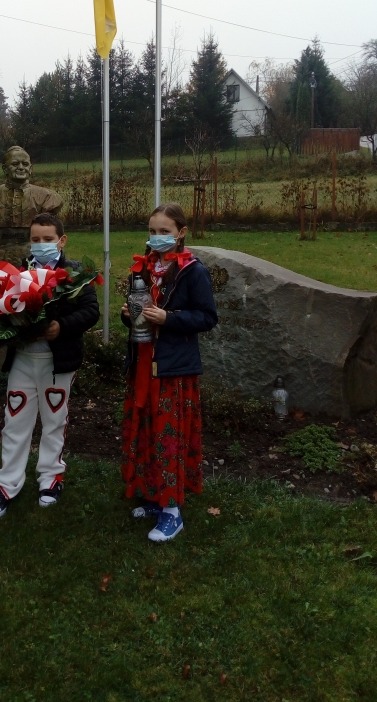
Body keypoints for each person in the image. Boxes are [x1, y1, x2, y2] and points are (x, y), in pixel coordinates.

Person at [0, 213, 100, 518]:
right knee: (15, 420)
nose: (41, 244)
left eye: (48, 239)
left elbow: (91, 311)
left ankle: (50, 478)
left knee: (54, 420)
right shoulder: (17, 273)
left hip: (57, 362)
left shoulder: (75, 274)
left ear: (61, 241)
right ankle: (7, 482)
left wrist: (61, 327)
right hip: (23, 360)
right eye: (35, 239)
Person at [121, 202, 218, 542]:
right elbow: (137, 318)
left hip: (173, 369)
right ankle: (153, 495)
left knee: (168, 436)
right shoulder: (142, 268)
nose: (157, 237)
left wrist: (169, 319)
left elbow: (207, 317)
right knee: (146, 430)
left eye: (165, 231)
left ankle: (172, 511)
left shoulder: (193, 271)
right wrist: (129, 315)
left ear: (181, 233)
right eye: (152, 231)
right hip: (143, 363)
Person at [0, 146, 63, 227]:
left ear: (30, 169)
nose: (21, 167)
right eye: (15, 164)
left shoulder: (48, 197)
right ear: (5, 169)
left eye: (25, 164)